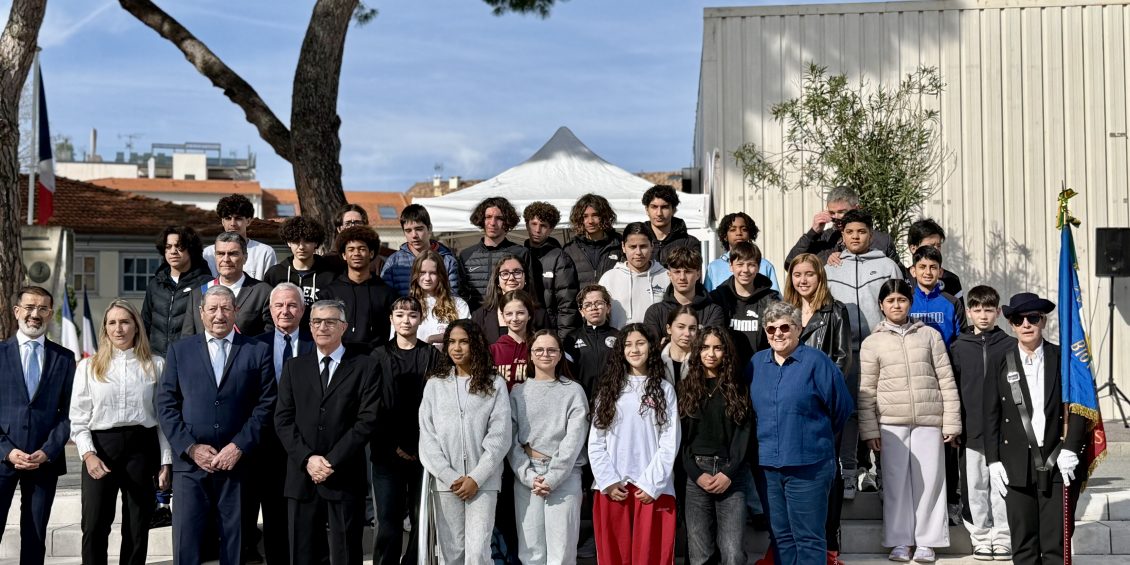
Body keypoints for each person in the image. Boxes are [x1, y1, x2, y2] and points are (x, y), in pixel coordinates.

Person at [158, 285, 276, 565]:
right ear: (201, 313)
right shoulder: (179, 351)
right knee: (187, 544)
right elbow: (166, 405)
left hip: (238, 465)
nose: (219, 315)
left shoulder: (257, 350)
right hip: (190, 466)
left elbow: (266, 404)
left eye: (225, 308)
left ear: (236, 311)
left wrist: (238, 446)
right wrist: (191, 448)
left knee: (234, 546)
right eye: (212, 308)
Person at [857, 280, 961, 563]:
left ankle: (928, 541)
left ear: (910, 303)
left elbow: (946, 380)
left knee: (930, 482)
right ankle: (900, 540)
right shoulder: (872, 342)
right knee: (895, 484)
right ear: (881, 305)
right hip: (891, 423)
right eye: (890, 300)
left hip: (929, 420)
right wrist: (869, 429)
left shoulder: (930, 335)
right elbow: (866, 390)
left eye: (901, 300)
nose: (896, 305)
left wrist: (951, 422)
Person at [274, 299, 380, 565]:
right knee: (302, 554)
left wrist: (330, 461)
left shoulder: (365, 366)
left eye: (330, 322)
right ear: (309, 327)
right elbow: (283, 420)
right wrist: (308, 459)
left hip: (344, 475)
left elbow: (366, 421)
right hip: (302, 476)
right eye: (317, 322)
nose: (322, 327)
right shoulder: (294, 367)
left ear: (343, 327)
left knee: (346, 553)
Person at [984, 292, 1087, 565]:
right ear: (1011, 325)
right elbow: (990, 413)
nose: (1026, 324)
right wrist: (993, 460)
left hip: (1057, 458)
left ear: (1043, 321)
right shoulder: (1000, 360)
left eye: (1032, 318)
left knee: (1056, 545)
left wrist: (1071, 448)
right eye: (1019, 320)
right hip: (1015, 462)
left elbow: (1079, 405)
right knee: (1024, 545)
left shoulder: (1063, 358)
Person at [748, 301, 853, 565]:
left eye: (785, 327)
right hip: (768, 468)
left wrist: (813, 437)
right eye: (771, 329)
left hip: (809, 467)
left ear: (798, 329)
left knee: (808, 538)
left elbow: (841, 408)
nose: (778, 333)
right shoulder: (756, 364)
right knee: (781, 537)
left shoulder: (817, 362)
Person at [70, 299, 172, 565]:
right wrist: (88, 455)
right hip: (101, 448)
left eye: (125, 322)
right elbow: (78, 419)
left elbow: (163, 419)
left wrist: (165, 461)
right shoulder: (89, 367)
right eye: (112, 323)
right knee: (94, 524)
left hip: (142, 448)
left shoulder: (156, 365)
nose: (119, 328)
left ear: (136, 326)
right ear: (105, 328)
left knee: (137, 526)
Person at [418, 320, 512, 565]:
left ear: (476, 345)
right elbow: (427, 437)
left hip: (484, 482)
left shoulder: (495, 384)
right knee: (451, 553)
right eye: (451, 342)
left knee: (478, 552)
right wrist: (449, 476)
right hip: (446, 484)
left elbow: (500, 436)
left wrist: (476, 477)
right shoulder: (434, 385)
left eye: (464, 342)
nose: (456, 348)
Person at [824, 209, 902, 499]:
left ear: (871, 235)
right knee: (848, 413)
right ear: (842, 235)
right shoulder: (831, 267)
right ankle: (848, 474)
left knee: (882, 411)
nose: (855, 237)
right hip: (844, 352)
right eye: (849, 232)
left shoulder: (887, 266)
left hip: (880, 350)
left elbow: (899, 304)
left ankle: (884, 474)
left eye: (861, 232)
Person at [587, 323, 680, 564]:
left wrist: (652, 483)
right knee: (613, 558)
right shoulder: (609, 389)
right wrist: (608, 480)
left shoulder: (664, 389)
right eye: (628, 344)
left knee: (651, 557)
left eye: (640, 343)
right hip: (613, 487)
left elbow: (669, 441)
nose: (634, 349)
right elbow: (596, 441)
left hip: (652, 489)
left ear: (651, 347)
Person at [782, 253, 853, 562]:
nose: (803, 280)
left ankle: (829, 537)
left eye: (809, 274)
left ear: (820, 276)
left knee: (826, 470)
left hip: (821, 405)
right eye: (797, 274)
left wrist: (818, 394)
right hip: (789, 405)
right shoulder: (785, 310)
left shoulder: (835, 311)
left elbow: (842, 359)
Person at [0, 286, 77, 565]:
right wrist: (7, 450)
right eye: (30, 307)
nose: (35, 314)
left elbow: (69, 412)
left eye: (43, 308)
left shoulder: (64, 358)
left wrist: (48, 450)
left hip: (44, 461)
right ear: (16, 311)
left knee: (35, 536)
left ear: (50, 313)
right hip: (2, 457)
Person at [246, 283, 314, 565]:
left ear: (302, 310)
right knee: (272, 511)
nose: (285, 311)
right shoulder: (253, 345)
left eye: (292, 305)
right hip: (265, 443)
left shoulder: (315, 343)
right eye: (279, 305)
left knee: (305, 514)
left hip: (306, 440)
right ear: (270, 310)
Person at [508, 330, 589, 565]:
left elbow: (574, 439)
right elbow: (511, 440)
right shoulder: (518, 392)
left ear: (560, 355)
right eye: (539, 350)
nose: (545, 354)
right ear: (531, 354)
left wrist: (553, 477)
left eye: (552, 350)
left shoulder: (573, 391)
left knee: (561, 552)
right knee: (530, 551)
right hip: (528, 475)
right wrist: (527, 476)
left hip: (565, 476)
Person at [370, 297, 438, 565]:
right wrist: (395, 444)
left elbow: (437, 406)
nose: (406, 320)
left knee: (421, 519)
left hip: (424, 451)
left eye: (412, 315)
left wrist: (418, 444)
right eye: (399, 315)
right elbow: (373, 407)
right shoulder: (377, 356)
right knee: (388, 522)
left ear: (420, 318)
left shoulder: (432, 355)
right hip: (386, 452)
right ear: (391, 319)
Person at [951, 285, 1014, 560]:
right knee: (974, 485)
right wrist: (955, 425)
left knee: (1002, 486)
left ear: (998, 312)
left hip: (1004, 432)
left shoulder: (1010, 345)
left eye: (989, 310)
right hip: (972, 430)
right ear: (968, 312)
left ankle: (1002, 537)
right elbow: (952, 389)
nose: (983, 315)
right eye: (977, 310)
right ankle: (980, 537)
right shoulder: (958, 347)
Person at [679, 327, 752, 565]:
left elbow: (744, 435)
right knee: (700, 552)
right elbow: (681, 440)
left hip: (731, 474)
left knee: (732, 551)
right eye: (705, 347)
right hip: (696, 475)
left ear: (726, 352)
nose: (711, 354)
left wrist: (728, 473)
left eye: (717, 348)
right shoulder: (687, 388)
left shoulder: (738, 387)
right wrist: (696, 474)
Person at [318, 226, 398, 353]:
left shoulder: (387, 293)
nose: (356, 253)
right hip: (339, 358)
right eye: (351, 249)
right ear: (344, 255)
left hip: (376, 359)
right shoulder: (328, 294)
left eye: (362, 249)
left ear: (371, 253)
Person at [182, 232, 273, 338]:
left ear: (245, 257)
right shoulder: (197, 294)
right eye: (220, 254)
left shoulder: (263, 292)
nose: (226, 259)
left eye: (233, 254)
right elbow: (187, 339)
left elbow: (269, 338)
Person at [785, 186, 901, 268]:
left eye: (842, 212)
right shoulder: (824, 239)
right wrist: (812, 233)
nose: (836, 217)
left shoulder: (881, 241)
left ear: (857, 208)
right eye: (832, 213)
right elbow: (790, 264)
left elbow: (897, 276)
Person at [143, 226, 213, 357]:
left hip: (191, 357)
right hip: (156, 358)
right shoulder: (155, 284)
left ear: (191, 249)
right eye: (168, 247)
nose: (173, 251)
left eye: (179, 246)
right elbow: (145, 323)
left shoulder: (206, 284)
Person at [708, 241, 779, 370]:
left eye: (751, 265)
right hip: (726, 371)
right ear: (731, 266)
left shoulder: (770, 300)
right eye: (740, 264)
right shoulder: (717, 298)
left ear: (758, 267)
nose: (745, 270)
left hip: (761, 370)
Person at [263, 216, 342, 327]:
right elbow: (267, 310)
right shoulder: (275, 274)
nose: (301, 247)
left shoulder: (330, 275)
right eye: (296, 241)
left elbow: (337, 310)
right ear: (288, 242)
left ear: (316, 243)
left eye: (307, 241)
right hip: (282, 333)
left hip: (318, 334)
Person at [459, 197, 532, 310]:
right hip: (475, 317)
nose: (492, 223)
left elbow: (530, 292)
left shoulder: (521, 253)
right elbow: (461, 294)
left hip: (511, 317)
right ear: (481, 220)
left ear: (507, 221)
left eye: (499, 218)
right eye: (488, 217)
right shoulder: (466, 255)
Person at [523, 201, 580, 338]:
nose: (537, 230)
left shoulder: (560, 258)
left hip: (550, 331)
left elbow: (567, 305)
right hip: (524, 329)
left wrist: (564, 339)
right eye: (534, 224)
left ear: (551, 229)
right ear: (526, 224)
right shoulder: (519, 255)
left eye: (543, 226)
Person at [643, 246, 725, 341]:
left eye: (688, 272)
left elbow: (710, 345)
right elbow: (652, 347)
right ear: (669, 274)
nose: (682, 277)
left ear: (698, 274)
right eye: (677, 272)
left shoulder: (713, 312)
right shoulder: (655, 312)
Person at [598, 222, 670, 329]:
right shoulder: (609, 278)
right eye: (632, 247)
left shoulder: (666, 276)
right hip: (619, 339)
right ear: (623, 247)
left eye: (643, 246)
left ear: (652, 246)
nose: (638, 252)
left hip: (656, 339)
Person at [381, 204, 461, 297]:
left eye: (419, 229)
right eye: (408, 231)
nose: (414, 235)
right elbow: (385, 298)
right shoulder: (393, 261)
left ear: (429, 228)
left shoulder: (447, 261)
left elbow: (453, 298)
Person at [471, 254, 551, 344]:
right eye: (505, 273)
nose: (511, 278)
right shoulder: (479, 316)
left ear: (525, 278)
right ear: (497, 280)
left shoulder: (540, 315)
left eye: (517, 272)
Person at [203, 194, 277, 279]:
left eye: (238, 218)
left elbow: (270, 286)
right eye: (228, 218)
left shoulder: (264, 252)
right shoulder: (208, 253)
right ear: (222, 222)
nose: (232, 224)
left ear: (248, 221)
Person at [563, 284, 618, 396]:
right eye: (587, 305)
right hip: (582, 398)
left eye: (599, 303)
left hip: (612, 398)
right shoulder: (571, 338)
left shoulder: (619, 336)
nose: (593, 308)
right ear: (581, 311)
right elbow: (566, 373)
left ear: (608, 307)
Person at [704, 212, 780, 292]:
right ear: (725, 236)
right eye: (732, 230)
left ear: (750, 234)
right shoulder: (714, 267)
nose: (739, 233)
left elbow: (775, 297)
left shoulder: (765, 265)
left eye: (744, 229)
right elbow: (708, 297)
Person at [908, 245, 967, 348]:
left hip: (946, 357)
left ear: (940, 272)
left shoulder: (953, 303)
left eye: (933, 267)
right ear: (913, 271)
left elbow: (962, 339)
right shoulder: (905, 301)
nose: (928, 272)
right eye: (922, 267)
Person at [409, 250, 470, 346]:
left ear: (440, 275)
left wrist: (434, 338)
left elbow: (467, 337)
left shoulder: (459, 305)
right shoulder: (406, 306)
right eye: (422, 272)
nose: (427, 278)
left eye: (433, 273)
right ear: (415, 274)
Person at [562, 193, 622, 286]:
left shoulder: (619, 245)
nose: (590, 221)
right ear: (579, 219)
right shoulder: (569, 249)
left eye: (595, 215)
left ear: (605, 216)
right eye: (585, 216)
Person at [642, 184, 700, 267]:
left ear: (674, 210)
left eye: (664, 207)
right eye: (654, 207)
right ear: (647, 210)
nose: (659, 213)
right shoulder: (637, 242)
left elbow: (693, 273)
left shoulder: (689, 243)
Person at [490, 290, 536, 389]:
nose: (514, 318)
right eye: (509, 314)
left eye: (520, 313)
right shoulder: (492, 351)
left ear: (529, 315)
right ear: (502, 316)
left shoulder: (539, 348)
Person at [908, 218, 963, 298]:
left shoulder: (951, 280)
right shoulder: (901, 276)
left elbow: (957, 306)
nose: (936, 250)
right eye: (930, 246)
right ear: (913, 248)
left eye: (938, 246)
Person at [660, 306, 698, 386]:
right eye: (681, 327)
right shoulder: (656, 360)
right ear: (669, 329)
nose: (687, 333)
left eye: (692, 328)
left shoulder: (700, 361)